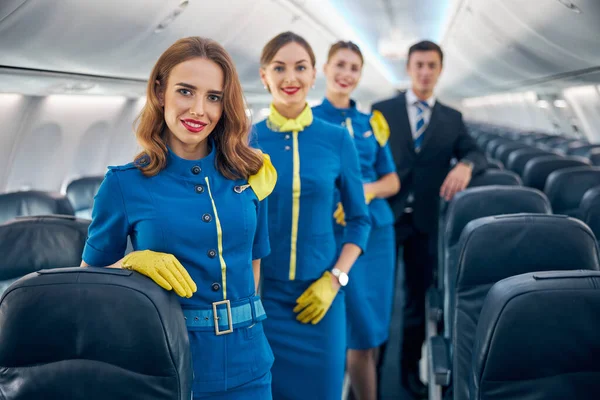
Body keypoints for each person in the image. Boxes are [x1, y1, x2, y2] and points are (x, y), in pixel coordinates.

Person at [80, 36, 277, 399]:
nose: (199, 110)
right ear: (160, 92)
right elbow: (86, 286)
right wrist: (129, 262)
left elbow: (253, 262)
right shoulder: (123, 184)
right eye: (186, 91)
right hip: (168, 366)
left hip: (249, 366)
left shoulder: (250, 174)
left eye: (213, 97)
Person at [252, 31, 371, 400]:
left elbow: (359, 221)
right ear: (263, 75)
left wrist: (335, 279)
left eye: (300, 67)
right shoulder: (245, 141)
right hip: (262, 299)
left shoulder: (337, 139)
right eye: (279, 68)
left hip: (322, 297)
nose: (291, 78)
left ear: (313, 73)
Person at [371, 40, 487, 398]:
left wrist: (466, 165)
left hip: (425, 223)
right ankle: (372, 376)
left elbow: (474, 150)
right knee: (377, 298)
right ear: (408, 68)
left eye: (431, 65)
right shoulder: (381, 110)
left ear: (439, 70)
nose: (424, 72)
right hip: (384, 219)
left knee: (416, 302)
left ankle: (408, 375)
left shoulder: (452, 118)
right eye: (419, 65)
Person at [311, 40, 400, 400]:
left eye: (354, 68)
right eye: (340, 65)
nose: (346, 74)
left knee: (373, 328)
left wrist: (364, 191)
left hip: (377, 236)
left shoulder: (371, 123)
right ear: (325, 69)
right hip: (335, 235)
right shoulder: (309, 119)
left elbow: (391, 181)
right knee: (355, 334)